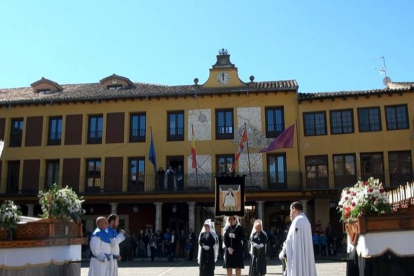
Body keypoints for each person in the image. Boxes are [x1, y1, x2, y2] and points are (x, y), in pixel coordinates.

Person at [279, 201, 316, 276]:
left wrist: (282, 253)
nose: (290, 214)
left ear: (294, 209)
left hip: (296, 257)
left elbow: (289, 240)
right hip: (304, 256)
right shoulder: (306, 220)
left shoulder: (297, 221)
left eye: (290, 211)